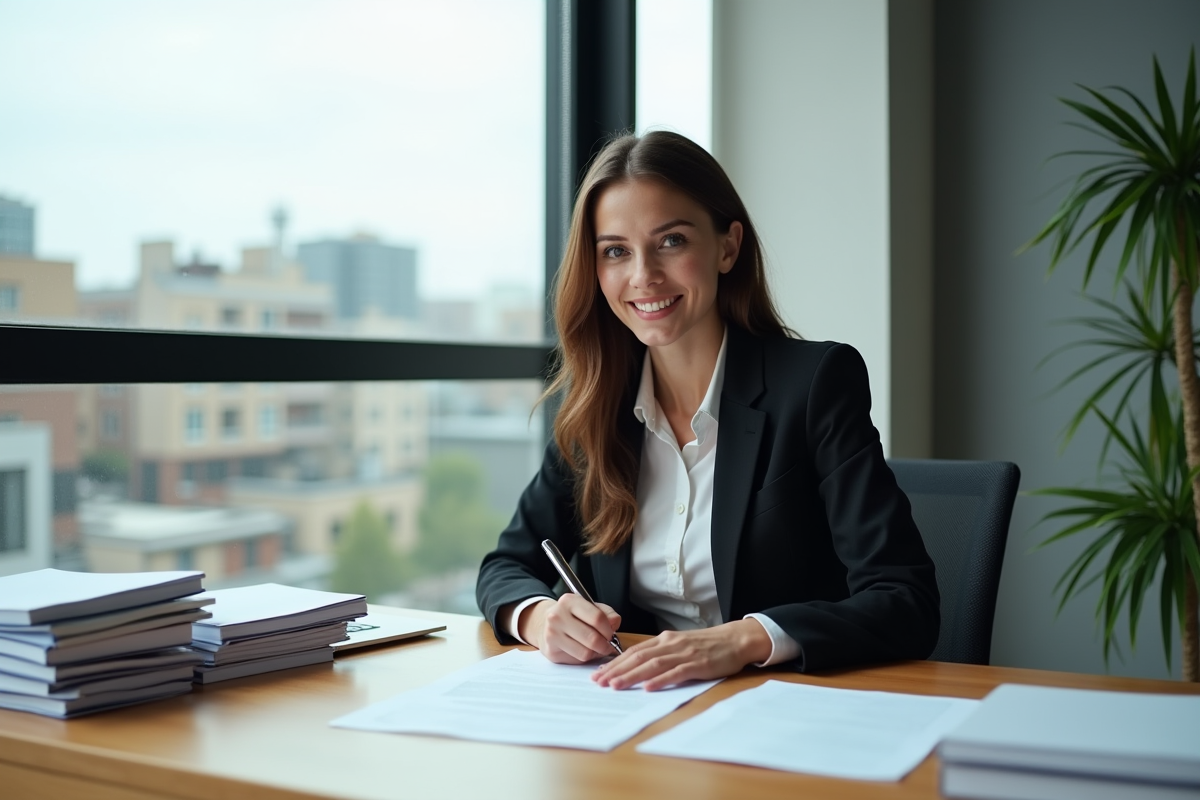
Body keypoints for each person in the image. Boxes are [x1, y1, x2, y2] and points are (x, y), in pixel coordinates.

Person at [476, 131, 939, 691]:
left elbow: (905, 601)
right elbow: (505, 565)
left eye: (670, 241)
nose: (643, 275)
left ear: (727, 246)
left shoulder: (816, 384)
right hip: (635, 713)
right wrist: (538, 616)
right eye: (615, 251)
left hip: (781, 711)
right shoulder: (597, 405)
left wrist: (744, 638)